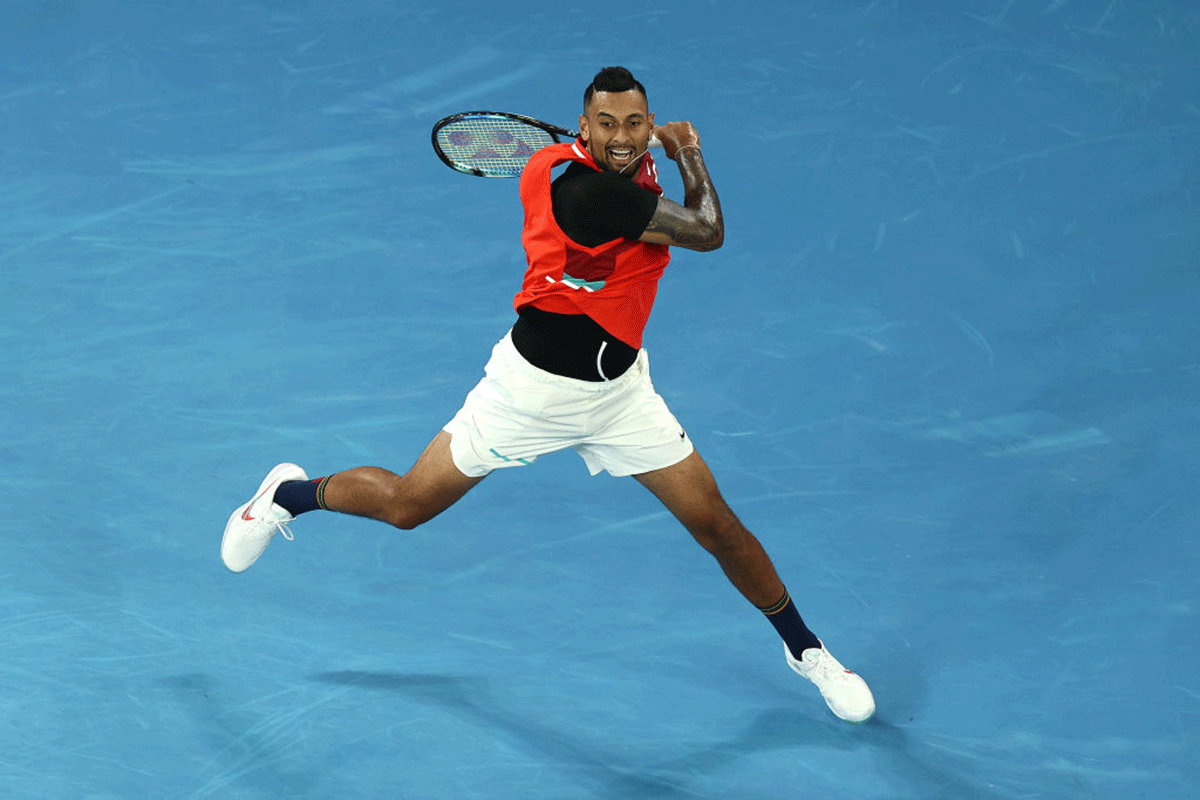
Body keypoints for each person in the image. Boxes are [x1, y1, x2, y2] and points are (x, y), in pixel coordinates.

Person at [221, 66, 875, 723]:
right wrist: (690, 153)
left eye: (635, 123)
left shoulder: (614, 171)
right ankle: (286, 496)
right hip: (529, 395)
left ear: (645, 125)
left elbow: (654, 210)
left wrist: (650, 159)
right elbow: (707, 230)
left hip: (620, 395)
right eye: (607, 124)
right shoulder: (589, 195)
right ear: (583, 128)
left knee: (718, 526)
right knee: (406, 506)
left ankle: (808, 651)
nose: (621, 136)